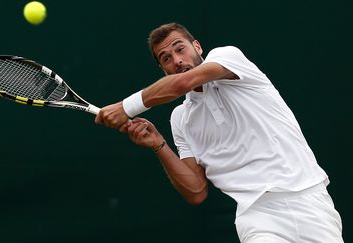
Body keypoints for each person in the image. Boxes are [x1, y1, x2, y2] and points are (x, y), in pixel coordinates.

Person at [95, 23, 344, 242]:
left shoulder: (228, 57)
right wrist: (159, 144)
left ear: (198, 47)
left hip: (310, 202)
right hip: (258, 218)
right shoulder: (181, 119)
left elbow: (182, 84)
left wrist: (126, 107)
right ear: (163, 70)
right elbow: (196, 191)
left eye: (180, 49)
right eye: (166, 58)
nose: (177, 60)